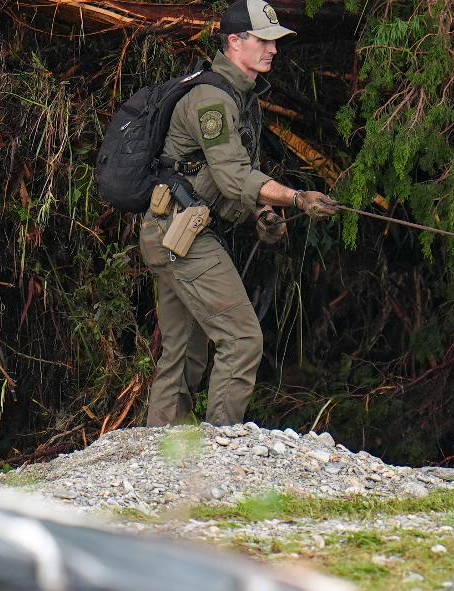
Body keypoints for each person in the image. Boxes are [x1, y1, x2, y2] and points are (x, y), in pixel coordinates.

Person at [139, 0, 341, 428]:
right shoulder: (212, 101)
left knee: (184, 355)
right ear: (235, 42)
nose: (273, 50)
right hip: (183, 237)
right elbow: (234, 178)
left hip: (171, 232)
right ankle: (222, 450)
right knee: (243, 339)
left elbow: (219, 177)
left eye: (274, 41)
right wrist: (298, 196)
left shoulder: (239, 97)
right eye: (264, 40)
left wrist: (262, 213)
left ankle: (159, 459)